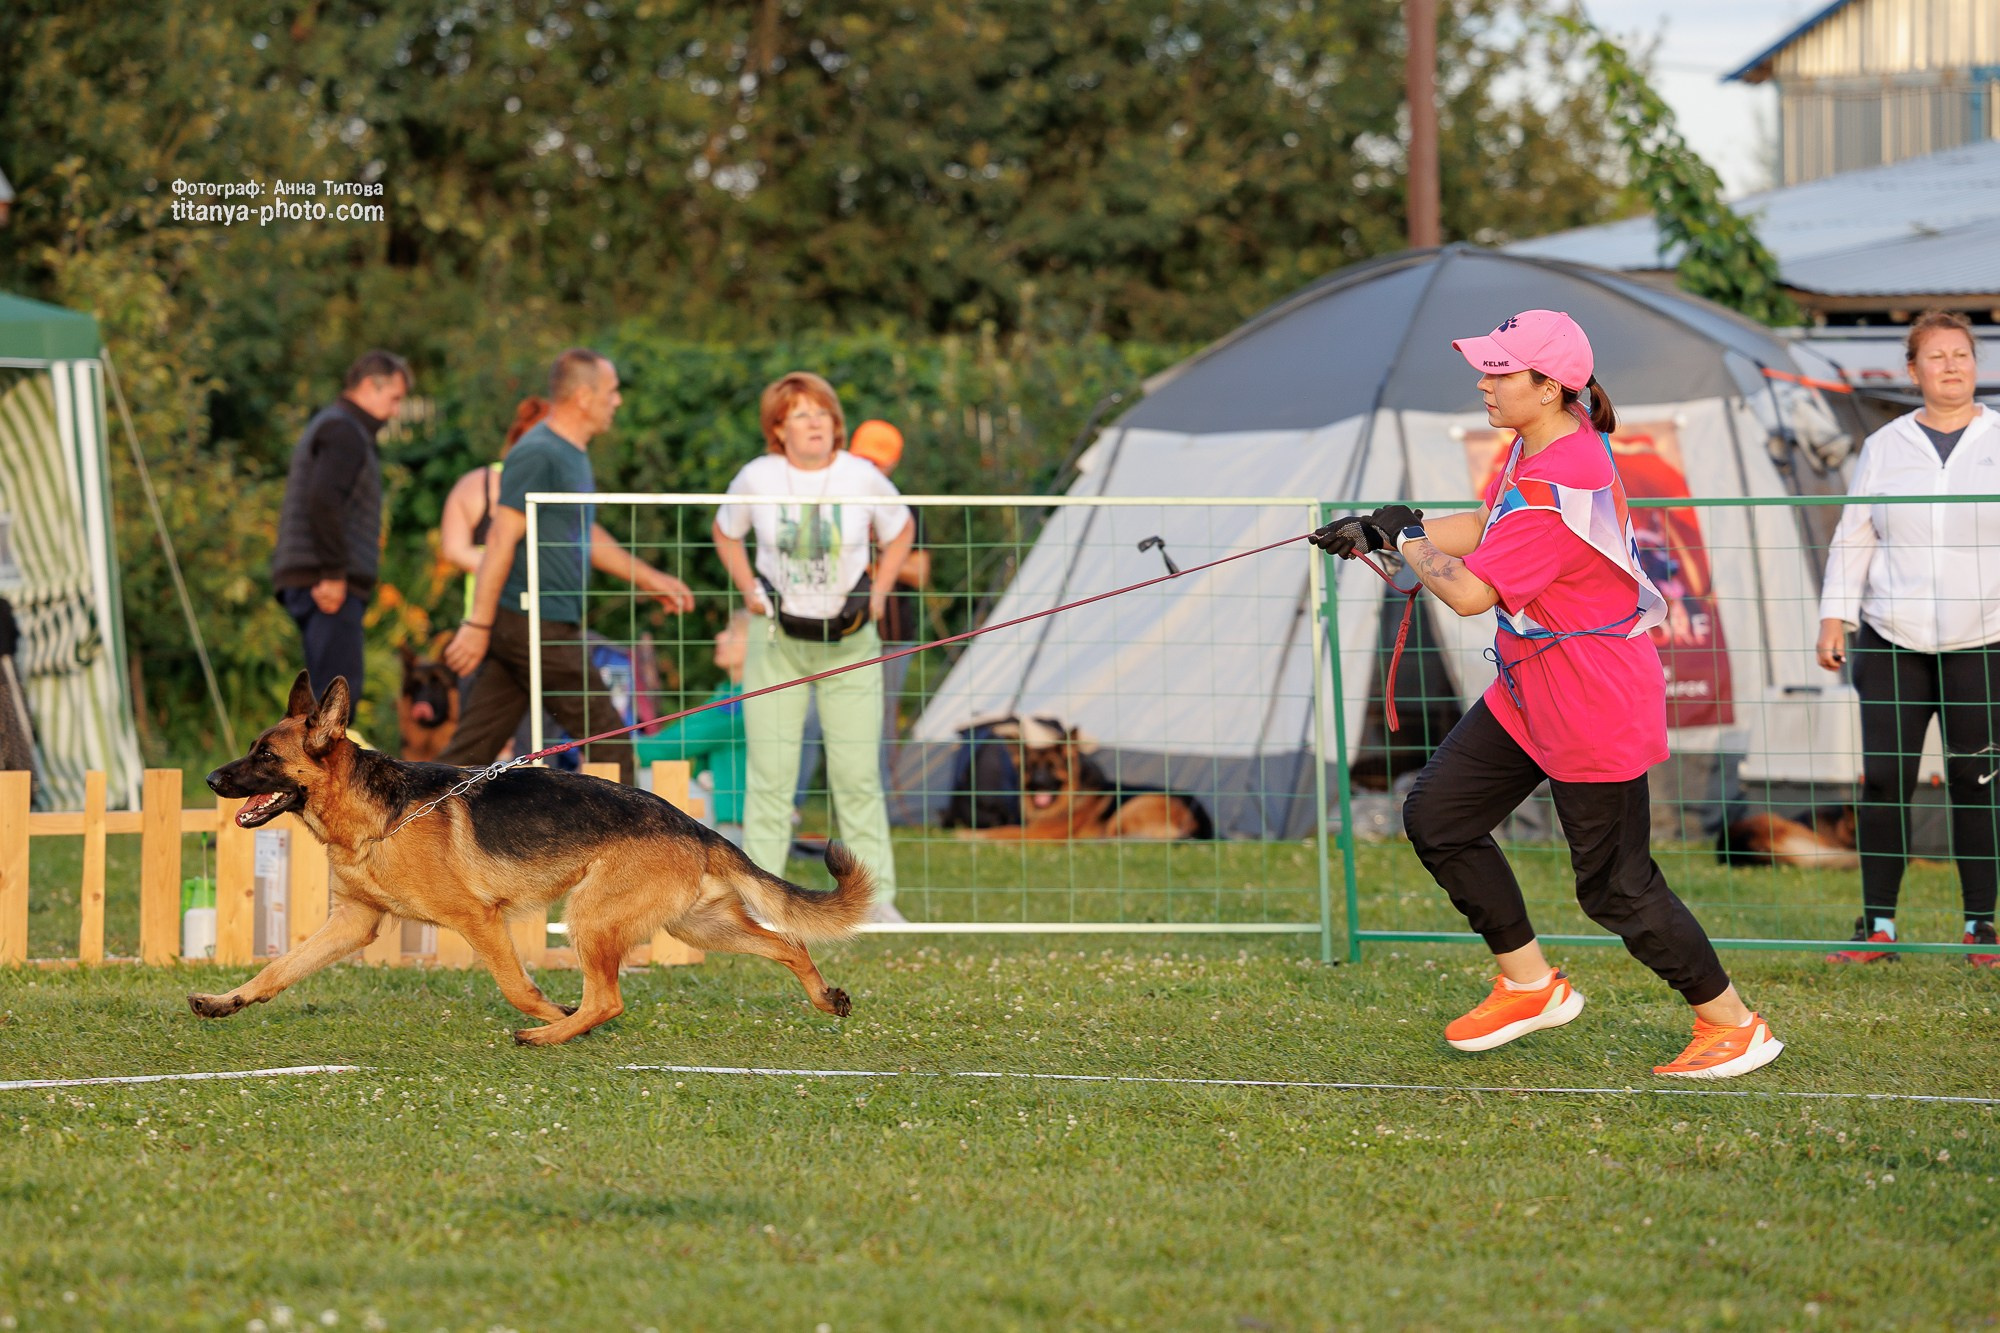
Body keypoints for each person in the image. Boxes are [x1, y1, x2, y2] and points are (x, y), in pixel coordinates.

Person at [1314, 309, 1783, 1080]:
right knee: (1438, 816)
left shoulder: (1562, 480)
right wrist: (1385, 529)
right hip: (1530, 687)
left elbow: (1467, 593)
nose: (1484, 382)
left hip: (1592, 701)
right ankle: (1530, 983)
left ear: (1549, 385)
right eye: (1488, 367)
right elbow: (1490, 528)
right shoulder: (1542, 448)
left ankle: (1732, 1024)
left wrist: (1408, 539)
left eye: (1501, 372)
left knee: (1617, 888)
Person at [1816, 310, 2000, 968]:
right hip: (1893, 637)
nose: (1952, 366)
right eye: (1937, 355)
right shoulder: (1886, 445)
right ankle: (1879, 926)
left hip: (1983, 638)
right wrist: (1834, 616)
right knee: (1886, 779)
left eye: (1962, 354)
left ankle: (1982, 925)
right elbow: (1855, 533)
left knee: (1975, 778)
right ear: (1912, 369)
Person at [714, 373, 915, 923]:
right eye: (801, 415)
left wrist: (880, 590)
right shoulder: (757, 476)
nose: (815, 424)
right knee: (771, 777)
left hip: (850, 643)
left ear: (835, 424)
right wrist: (748, 589)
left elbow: (901, 530)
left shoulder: (862, 476)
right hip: (778, 641)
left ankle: (877, 899)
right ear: (779, 428)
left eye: (822, 413)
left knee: (856, 775)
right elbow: (725, 531)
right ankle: (760, 902)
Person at [440, 349, 695, 783]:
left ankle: (406, 825)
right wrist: (477, 624)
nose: (617, 401)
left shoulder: (571, 453)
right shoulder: (539, 452)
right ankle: (626, 849)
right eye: (611, 392)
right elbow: (501, 536)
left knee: (470, 753)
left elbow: (585, 533)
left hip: (533, 623)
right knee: (611, 742)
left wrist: (650, 578)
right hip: (534, 621)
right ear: (583, 395)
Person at [270, 349, 409, 719]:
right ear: (368, 386)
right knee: (336, 701)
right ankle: (317, 778)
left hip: (319, 578)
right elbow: (323, 500)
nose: (396, 411)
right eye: (394, 398)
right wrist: (332, 574)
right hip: (326, 584)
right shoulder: (344, 429)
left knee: (328, 697)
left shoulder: (341, 426)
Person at [637, 610, 751, 846]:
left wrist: (618, 749)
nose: (720, 637)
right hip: (727, 816)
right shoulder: (729, 691)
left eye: (733, 632)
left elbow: (676, 743)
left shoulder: (743, 700)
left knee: (639, 775)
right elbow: (682, 735)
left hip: (733, 827)